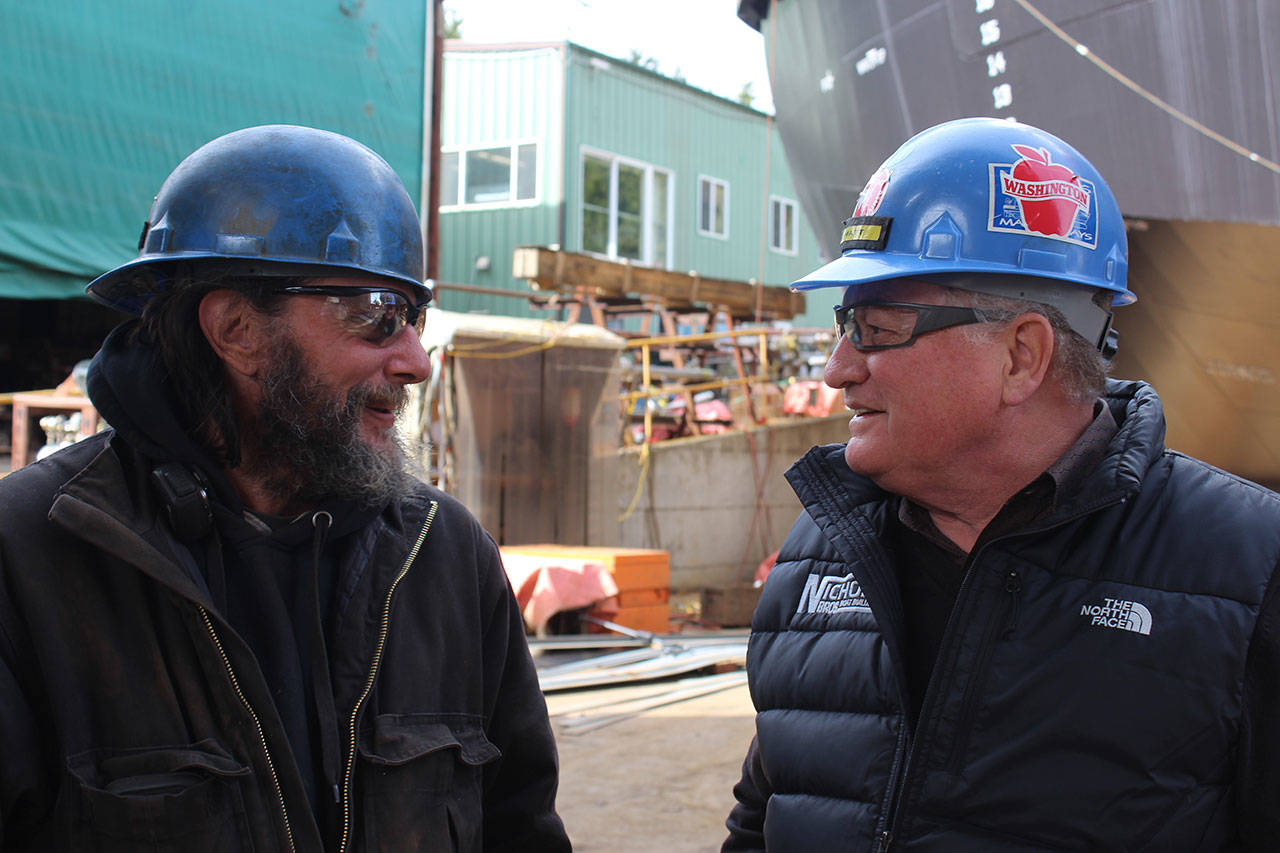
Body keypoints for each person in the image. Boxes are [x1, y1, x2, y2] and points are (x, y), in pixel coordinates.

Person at [0, 124, 570, 851]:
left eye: (414, 317)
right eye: (377, 315)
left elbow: (520, 828)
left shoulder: (446, 557)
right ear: (236, 328)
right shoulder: (32, 556)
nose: (416, 360)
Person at [723, 117, 1280, 851]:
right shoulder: (816, 556)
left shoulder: (1248, 570)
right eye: (841, 325)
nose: (838, 368)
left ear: (1022, 354)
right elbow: (762, 824)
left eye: (877, 328)